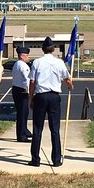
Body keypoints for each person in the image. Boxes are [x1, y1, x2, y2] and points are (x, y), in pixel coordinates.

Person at [28, 37, 72, 167]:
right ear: (53, 49)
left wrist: (31, 98)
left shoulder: (37, 62)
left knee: (37, 128)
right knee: (55, 128)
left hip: (40, 95)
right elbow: (67, 78)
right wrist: (70, 85)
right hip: (53, 96)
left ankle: (35, 159)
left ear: (42, 49)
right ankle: (56, 159)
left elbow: (32, 82)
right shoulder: (59, 62)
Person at [10, 45, 33, 142]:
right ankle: (21, 135)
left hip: (17, 89)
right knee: (22, 113)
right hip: (22, 91)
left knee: (23, 112)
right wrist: (29, 92)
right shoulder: (23, 66)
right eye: (26, 55)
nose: (28, 57)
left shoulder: (17, 64)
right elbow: (27, 79)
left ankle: (24, 130)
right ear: (22, 56)